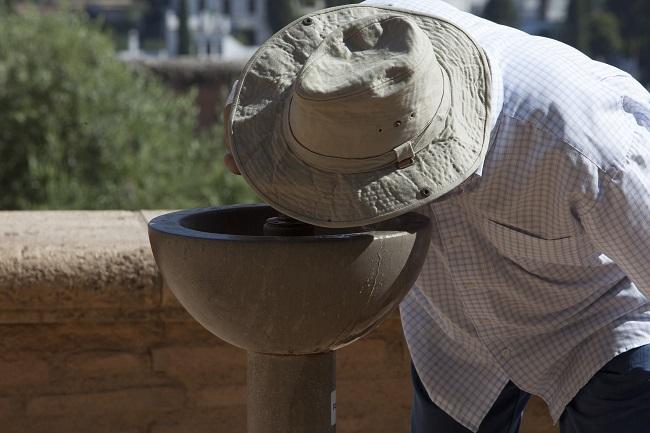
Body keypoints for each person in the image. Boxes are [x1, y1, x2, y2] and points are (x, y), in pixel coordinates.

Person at [223, 1, 650, 432]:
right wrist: (264, 154)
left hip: (599, 323)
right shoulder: (344, 69)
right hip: (453, 328)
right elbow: (256, 99)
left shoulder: (580, 147)